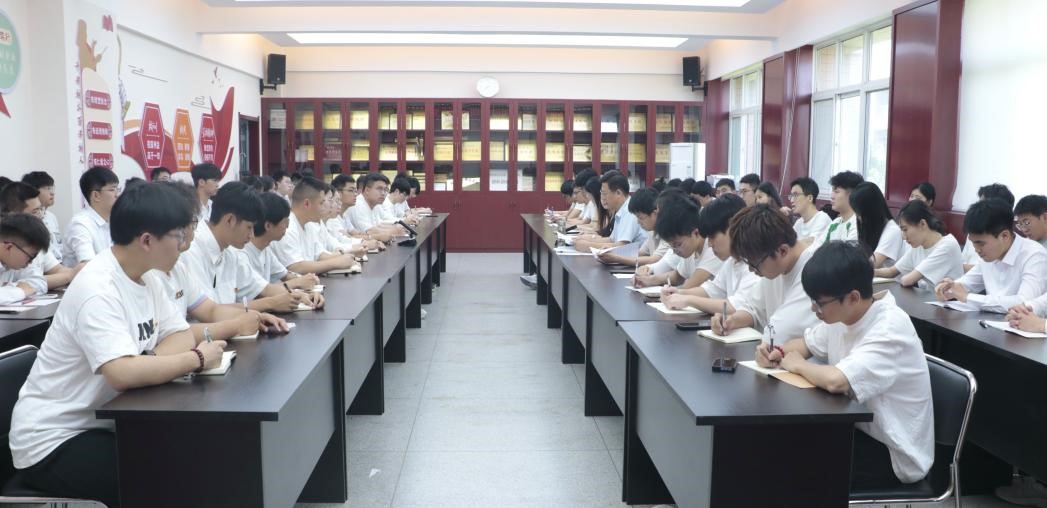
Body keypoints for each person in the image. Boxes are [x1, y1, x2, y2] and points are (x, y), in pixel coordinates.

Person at [8, 183, 228, 507]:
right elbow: (122, 374)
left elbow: (180, 335)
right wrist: (195, 358)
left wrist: (146, 362)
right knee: (165, 478)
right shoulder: (98, 288)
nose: (184, 245)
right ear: (147, 241)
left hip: (108, 420)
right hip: (55, 438)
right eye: (179, 235)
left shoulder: (148, 276)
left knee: (193, 455)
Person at [755, 241, 933, 487]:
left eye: (819, 303)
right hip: (852, 428)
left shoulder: (889, 328)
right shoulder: (844, 315)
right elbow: (805, 344)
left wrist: (797, 365)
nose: (813, 308)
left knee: (791, 463)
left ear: (852, 297)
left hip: (893, 451)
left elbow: (837, 381)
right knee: (778, 445)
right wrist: (777, 352)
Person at [156, 181, 290, 338]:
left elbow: (211, 310)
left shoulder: (228, 252)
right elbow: (179, 333)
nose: (252, 235)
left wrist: (256, 316)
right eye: (191, 223)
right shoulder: (189, 254)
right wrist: (238, 325)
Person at [178, 181, 323, 311]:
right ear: (230, 220)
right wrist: (270, 303)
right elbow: (211, 311)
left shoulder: (230, 250)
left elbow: (263, 288)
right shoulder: (192, 251)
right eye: (249, 227)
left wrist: (302, 296)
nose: (252, 235)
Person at [711, 204, 820, 342]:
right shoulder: (777, 264)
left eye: (754, 264)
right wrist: (732, 320)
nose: (751, 269)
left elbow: (780, 331)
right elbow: (753, 308)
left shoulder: (816, 269)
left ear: (782, 251)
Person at [935, 198, 1047, 313]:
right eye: (973, 243)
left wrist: (968, 297)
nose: (976, 250)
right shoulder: (989, 255)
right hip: (991, 320)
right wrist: (948, 288)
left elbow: (1024, 303)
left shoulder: (1035, 255)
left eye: (981, 243)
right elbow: (965, 284)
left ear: (1004, 236)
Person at [661, 194, 758, 313]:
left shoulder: (755, 264)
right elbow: (712, 290)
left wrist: (688, 300)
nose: (710, 244)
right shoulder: (731, 260)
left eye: (712, 237)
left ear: (732, 227)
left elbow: (736, 307)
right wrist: (679, 293)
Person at [271, 176, 362, 274]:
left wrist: (344, 257)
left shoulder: (309, 224)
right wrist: (336, 263)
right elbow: (295, 267)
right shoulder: (288, 227)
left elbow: (319, 254)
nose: (326, 206)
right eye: (321, 203)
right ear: (306, 204)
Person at [0, 182, 81, 290]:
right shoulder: (16, 245)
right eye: (35, 212)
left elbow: (52, 273)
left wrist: (77, 274)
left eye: (41, 210)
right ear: (13, 215)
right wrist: (70, 275)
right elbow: (30, 284)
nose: (41, 216)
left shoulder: (34, 240)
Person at [632, 194, 721, 288]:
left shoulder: (713, 248)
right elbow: (678, 275)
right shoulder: (690, 248)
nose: (675, 251)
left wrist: (673, 291)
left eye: (678, 245)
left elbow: (689, 286)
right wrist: (649, 280)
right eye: (672, 246)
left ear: (695, 233)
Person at [240, 191, 322, 291]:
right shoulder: (243, 253)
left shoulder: (265, 249)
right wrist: (298, 282)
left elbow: (285, 274)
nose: (287, 226)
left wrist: (306, 280)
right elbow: (261, 291)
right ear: (268, 226)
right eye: (285, 222)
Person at [874, 200, 963, 289]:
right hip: (928, 296)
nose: (904, 237)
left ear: (922, 224)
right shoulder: (918, 246)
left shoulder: (948, 245)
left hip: (947, 298)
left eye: (905, 230)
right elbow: (891, 271)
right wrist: (870, 272)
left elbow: (907, 280)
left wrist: (903, 278)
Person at [595, 188, 669, 267]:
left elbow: (654, 260)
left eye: (640, 217)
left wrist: (616, 258)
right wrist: (613, 252)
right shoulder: (652, 232)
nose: (638, 222)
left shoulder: (668, 233)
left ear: (655, 213)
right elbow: (639, 253)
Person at [573, 172, 646, 252]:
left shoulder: (629, 210)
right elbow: (611, 239)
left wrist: (588, 245)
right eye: (601, 194)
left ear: (618, 193)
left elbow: (622, 246)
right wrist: (589, 239)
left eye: (604, 194)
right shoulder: (620, 210)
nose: (602, 198)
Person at [62, 166, 119, 267]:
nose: (117, 194)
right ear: (96, 195)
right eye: (112, 189)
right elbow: (89, 266)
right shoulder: (80, 224)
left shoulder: (113, 220)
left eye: (117, 189)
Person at [850, 182, 906, 268]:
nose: (857, 217)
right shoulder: (869, 228)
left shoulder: (892, 231)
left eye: (859, 213)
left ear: (871, 211)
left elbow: (872, 265)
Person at [961, 183, 1015, 271]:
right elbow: (963, 260)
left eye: (983, 204)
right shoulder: (973, 234)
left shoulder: (1001, 240)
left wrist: (955, 267)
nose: (979, 208)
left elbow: (984, 271)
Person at [0, 213, 50, 303]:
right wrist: (19, 291)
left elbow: (40, 282)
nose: (31, 262)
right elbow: (24, 290)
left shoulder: (15, 261)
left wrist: (9, 289)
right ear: (8, 247)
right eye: (31, 257)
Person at [21, 171, 63, 264]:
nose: (52, 193)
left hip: (59, 265)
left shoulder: (51, 217)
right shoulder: (26, 219)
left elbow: (59, 246)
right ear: (33, 191)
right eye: (48, 188)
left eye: (52, 188)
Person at [348, 173, 406, 238]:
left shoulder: (375, 204)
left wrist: (397, 227)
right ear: (367, 190)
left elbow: (379, 225)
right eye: (379, 189)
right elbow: (369, 231)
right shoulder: (358, 205)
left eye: (385, 190)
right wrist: (394, 231)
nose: (383, 193)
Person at [822, 171, 864, 244]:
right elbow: (817, 246)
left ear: (852, 195)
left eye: (836, 192)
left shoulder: (858, 224)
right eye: (832, 191)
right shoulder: (835, 223)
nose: (832, 197)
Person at [788, 176, 831, 244]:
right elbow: (789, 242)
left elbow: (811, 245)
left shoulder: (822, 218)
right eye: (791, 196)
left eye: (795, 195)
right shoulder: (799, 222)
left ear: (810, 198)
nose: (791, 200)